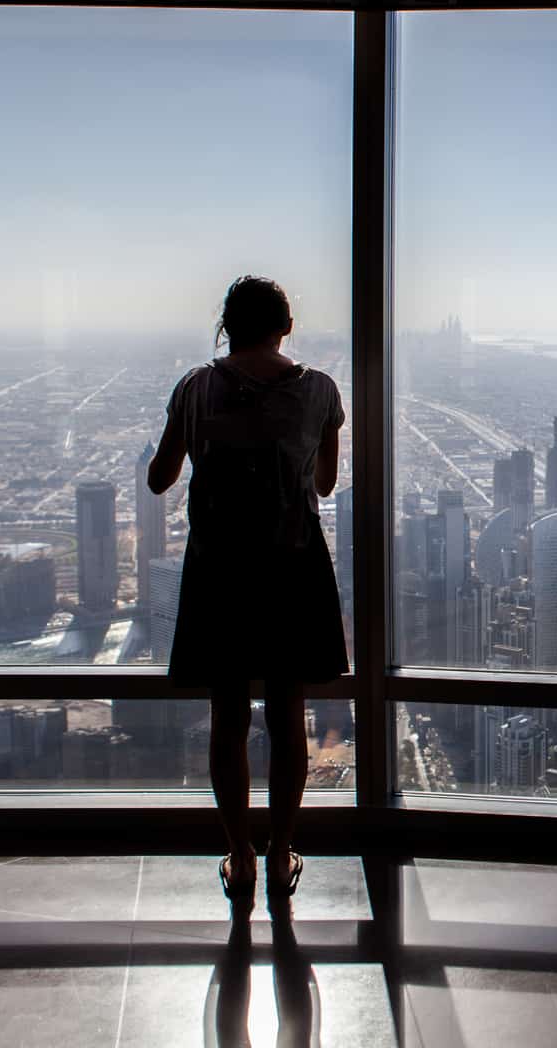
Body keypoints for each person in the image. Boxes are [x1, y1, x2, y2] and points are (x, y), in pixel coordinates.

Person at [147, 276, 348, 908]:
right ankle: (282, 844)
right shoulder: (320, 390)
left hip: (219, 570)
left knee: (228, 718)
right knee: (289, 719)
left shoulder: (195, 388)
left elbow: (159, 479)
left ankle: (239, 855)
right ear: (285, 326)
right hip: (292, 567)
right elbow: (324, 486)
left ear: (226, 326)